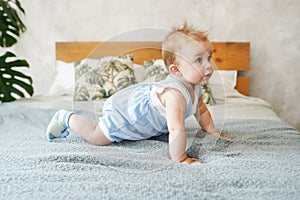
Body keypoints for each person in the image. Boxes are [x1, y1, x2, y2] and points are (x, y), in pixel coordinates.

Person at [46, 22, 232, 165]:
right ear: (176, 70)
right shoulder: (174, 96)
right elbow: (176, 129)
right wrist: (181, 158)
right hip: (126, 115)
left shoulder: (196, 87)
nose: (208, 65)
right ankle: (66, 118)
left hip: (147, 120)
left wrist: (214, 132)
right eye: (198, 60)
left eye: (209, 57)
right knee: (97, 137)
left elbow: (203, 112)